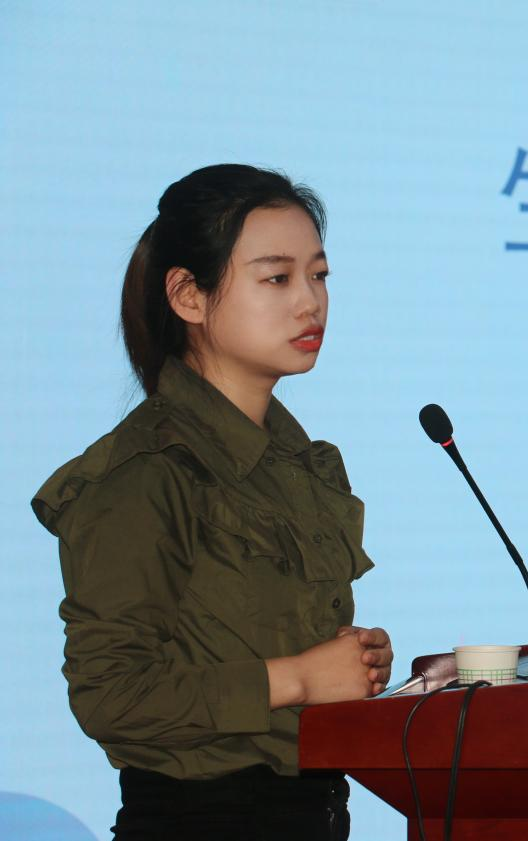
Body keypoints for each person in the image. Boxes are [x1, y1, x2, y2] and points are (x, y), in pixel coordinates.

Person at [30, 164, 391, 841]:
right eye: (277, 278)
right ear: (188, 296)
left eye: (319, 275)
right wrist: (298, 678)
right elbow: (111, 696)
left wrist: (352, 663)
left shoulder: (294, 463)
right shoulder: (148, 473)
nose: (310, 302)